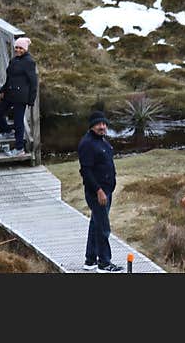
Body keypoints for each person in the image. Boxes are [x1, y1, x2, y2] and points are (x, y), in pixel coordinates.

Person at [78, 111, 122, 273]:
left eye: (104, 124)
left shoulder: (101, 141)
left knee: (96, 224)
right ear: (92, 126)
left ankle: (90, 260)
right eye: (98, 124)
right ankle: (104, 263)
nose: (102, 127)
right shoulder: (87, 144)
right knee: (103, 228)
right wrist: (98, 191)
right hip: (97, 193)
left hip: (106, 190)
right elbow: (86, 171)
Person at [0, 36, 37, 157]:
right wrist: (2, 90)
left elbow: (33, 82)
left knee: (18, 122)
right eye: (16, 47)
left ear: (25, 49)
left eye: (21, 48)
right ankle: (7, 131)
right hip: (10, 94)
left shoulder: (29, 62)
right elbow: (9, 79)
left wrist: (31, 100)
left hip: (21, 97)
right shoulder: (13, 60)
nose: (18, 50)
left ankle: (19, 148)